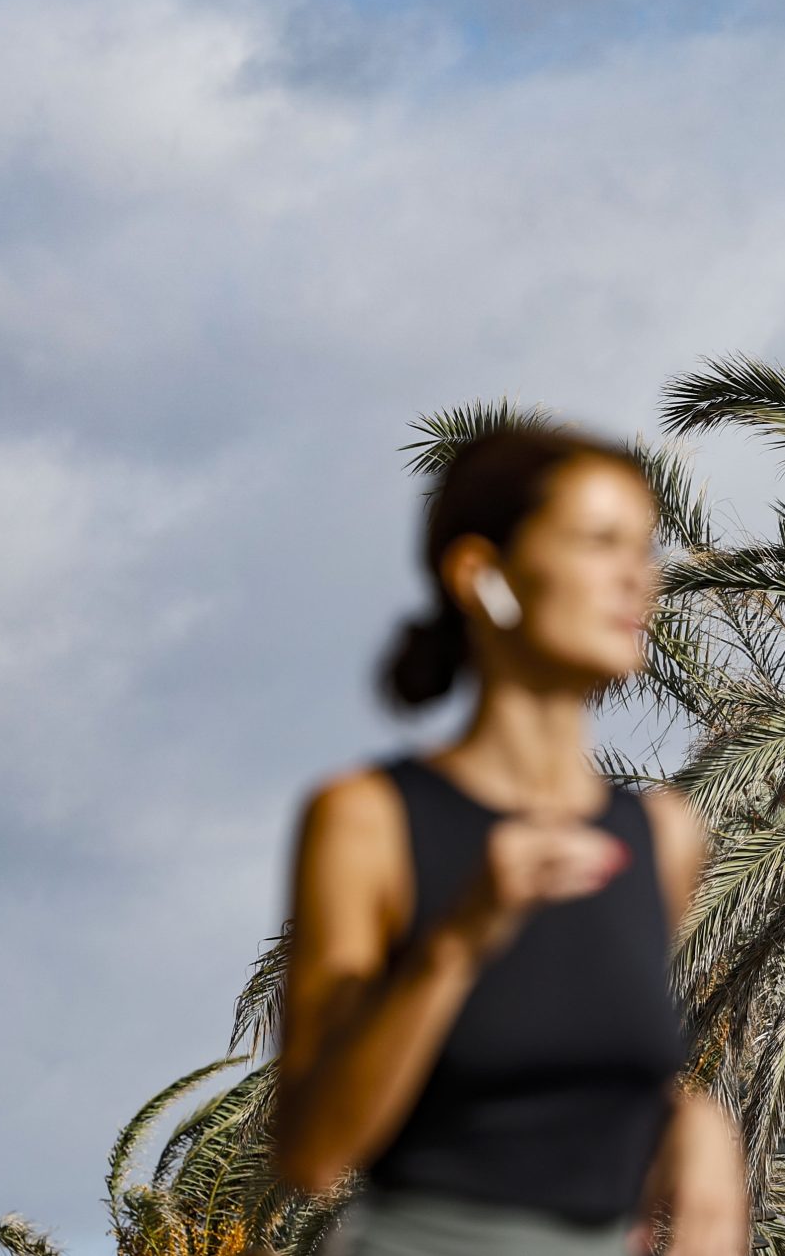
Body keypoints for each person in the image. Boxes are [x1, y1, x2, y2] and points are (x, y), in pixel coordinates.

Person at [271, 426, 746, 1256]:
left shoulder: (664, 836)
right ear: (479, 574)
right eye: (599, 542)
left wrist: (695, 1120)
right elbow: (312, 1152)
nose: (639, 576)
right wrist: (457, 940)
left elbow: (584, 1080)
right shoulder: (367, 818)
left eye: (643, 547)